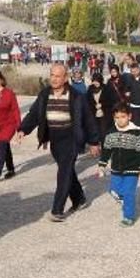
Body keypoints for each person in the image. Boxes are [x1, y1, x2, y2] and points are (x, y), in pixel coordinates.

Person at [16, 64, 101, 222]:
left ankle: (57, 209)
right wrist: (23, 129)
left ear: (65, 78)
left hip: (71, 137)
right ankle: (79, 199)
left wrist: (94, 141)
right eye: (52, 75)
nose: (54, 79)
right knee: (68, 170)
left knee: (63, 172)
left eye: (58, 76)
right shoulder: (44, 94)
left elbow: (88, 119)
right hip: (54, 138)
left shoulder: (75, 96)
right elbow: (34, 113)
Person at [98, 102, 140, 227]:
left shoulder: (136, 132)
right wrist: (102, 164)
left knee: (128, 193)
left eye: (123, 117)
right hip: (116, 169)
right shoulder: (111, 132)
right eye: (117, 117)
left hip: (132, 169)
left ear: (129, 116)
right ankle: (124, 200)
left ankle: (128, 217)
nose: (120, 120)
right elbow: (106, 150)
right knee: (113, 190)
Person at [87, 72, 107, 144]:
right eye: (94, 81)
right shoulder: (90, 88)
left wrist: (102, 104)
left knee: (103, 130)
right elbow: (88, 101)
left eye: (97, 81)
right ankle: (95, 143)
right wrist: (93, 106)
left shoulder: (105, 88)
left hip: (104, 112)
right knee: (95, 128)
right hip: (93, 112)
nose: (96, 83)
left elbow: (109, 100)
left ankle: (103, 144)